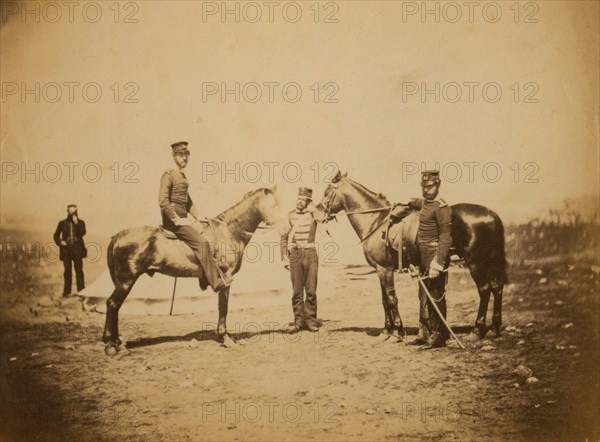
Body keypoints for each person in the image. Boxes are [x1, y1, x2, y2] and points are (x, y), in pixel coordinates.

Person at [158, 141, 231, 292]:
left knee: (209, 237)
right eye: (180, 155)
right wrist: (176, 219)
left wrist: (199, 216)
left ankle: (202, 279)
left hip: (184, 219)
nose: (184, 158)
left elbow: (188, 202)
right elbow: (163, 201)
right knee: (202, 244)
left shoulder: (182, 177)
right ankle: (216, 283)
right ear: (174, 156)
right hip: (173, 221)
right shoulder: (168, 175)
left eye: (186, 155)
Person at [409, 170, 452, 348]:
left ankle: (439, 335)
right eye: (423, 187)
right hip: (423, 254)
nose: (426, 190)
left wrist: (438, 263)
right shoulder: (426, 204)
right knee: (424, 295)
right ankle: (425, 332)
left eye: (429, 186)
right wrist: (415, 261)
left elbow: (446, 237)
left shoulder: (442, 207)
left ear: (438, 184)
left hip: (435, 254)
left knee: (436, 295)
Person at [281, 187, 328, 333]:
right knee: (296, 291)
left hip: (310, 254)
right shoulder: (289, 216)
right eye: (299, 199)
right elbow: (283, 237)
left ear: (308, 202)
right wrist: (284, 258)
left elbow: (324, 216)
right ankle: (298, 322)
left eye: (303, 200)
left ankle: (311, 321)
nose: (300, 202)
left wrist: (314, 209)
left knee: (311, 290)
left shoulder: (314, 215)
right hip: (294, 254)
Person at [53, 204, 86, 297]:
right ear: (67, 212)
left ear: (76, 211)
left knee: (79, 270)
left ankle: (81, 291)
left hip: (77, 248)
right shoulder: (62, 223)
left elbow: (82, 233)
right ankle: (67, 292)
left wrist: (77, 223)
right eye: (70, 211)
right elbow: (56, 235)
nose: (72, 213)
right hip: (66, 249)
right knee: (67, 271)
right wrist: (60, 242)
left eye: (74, 211)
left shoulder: (81, 223)